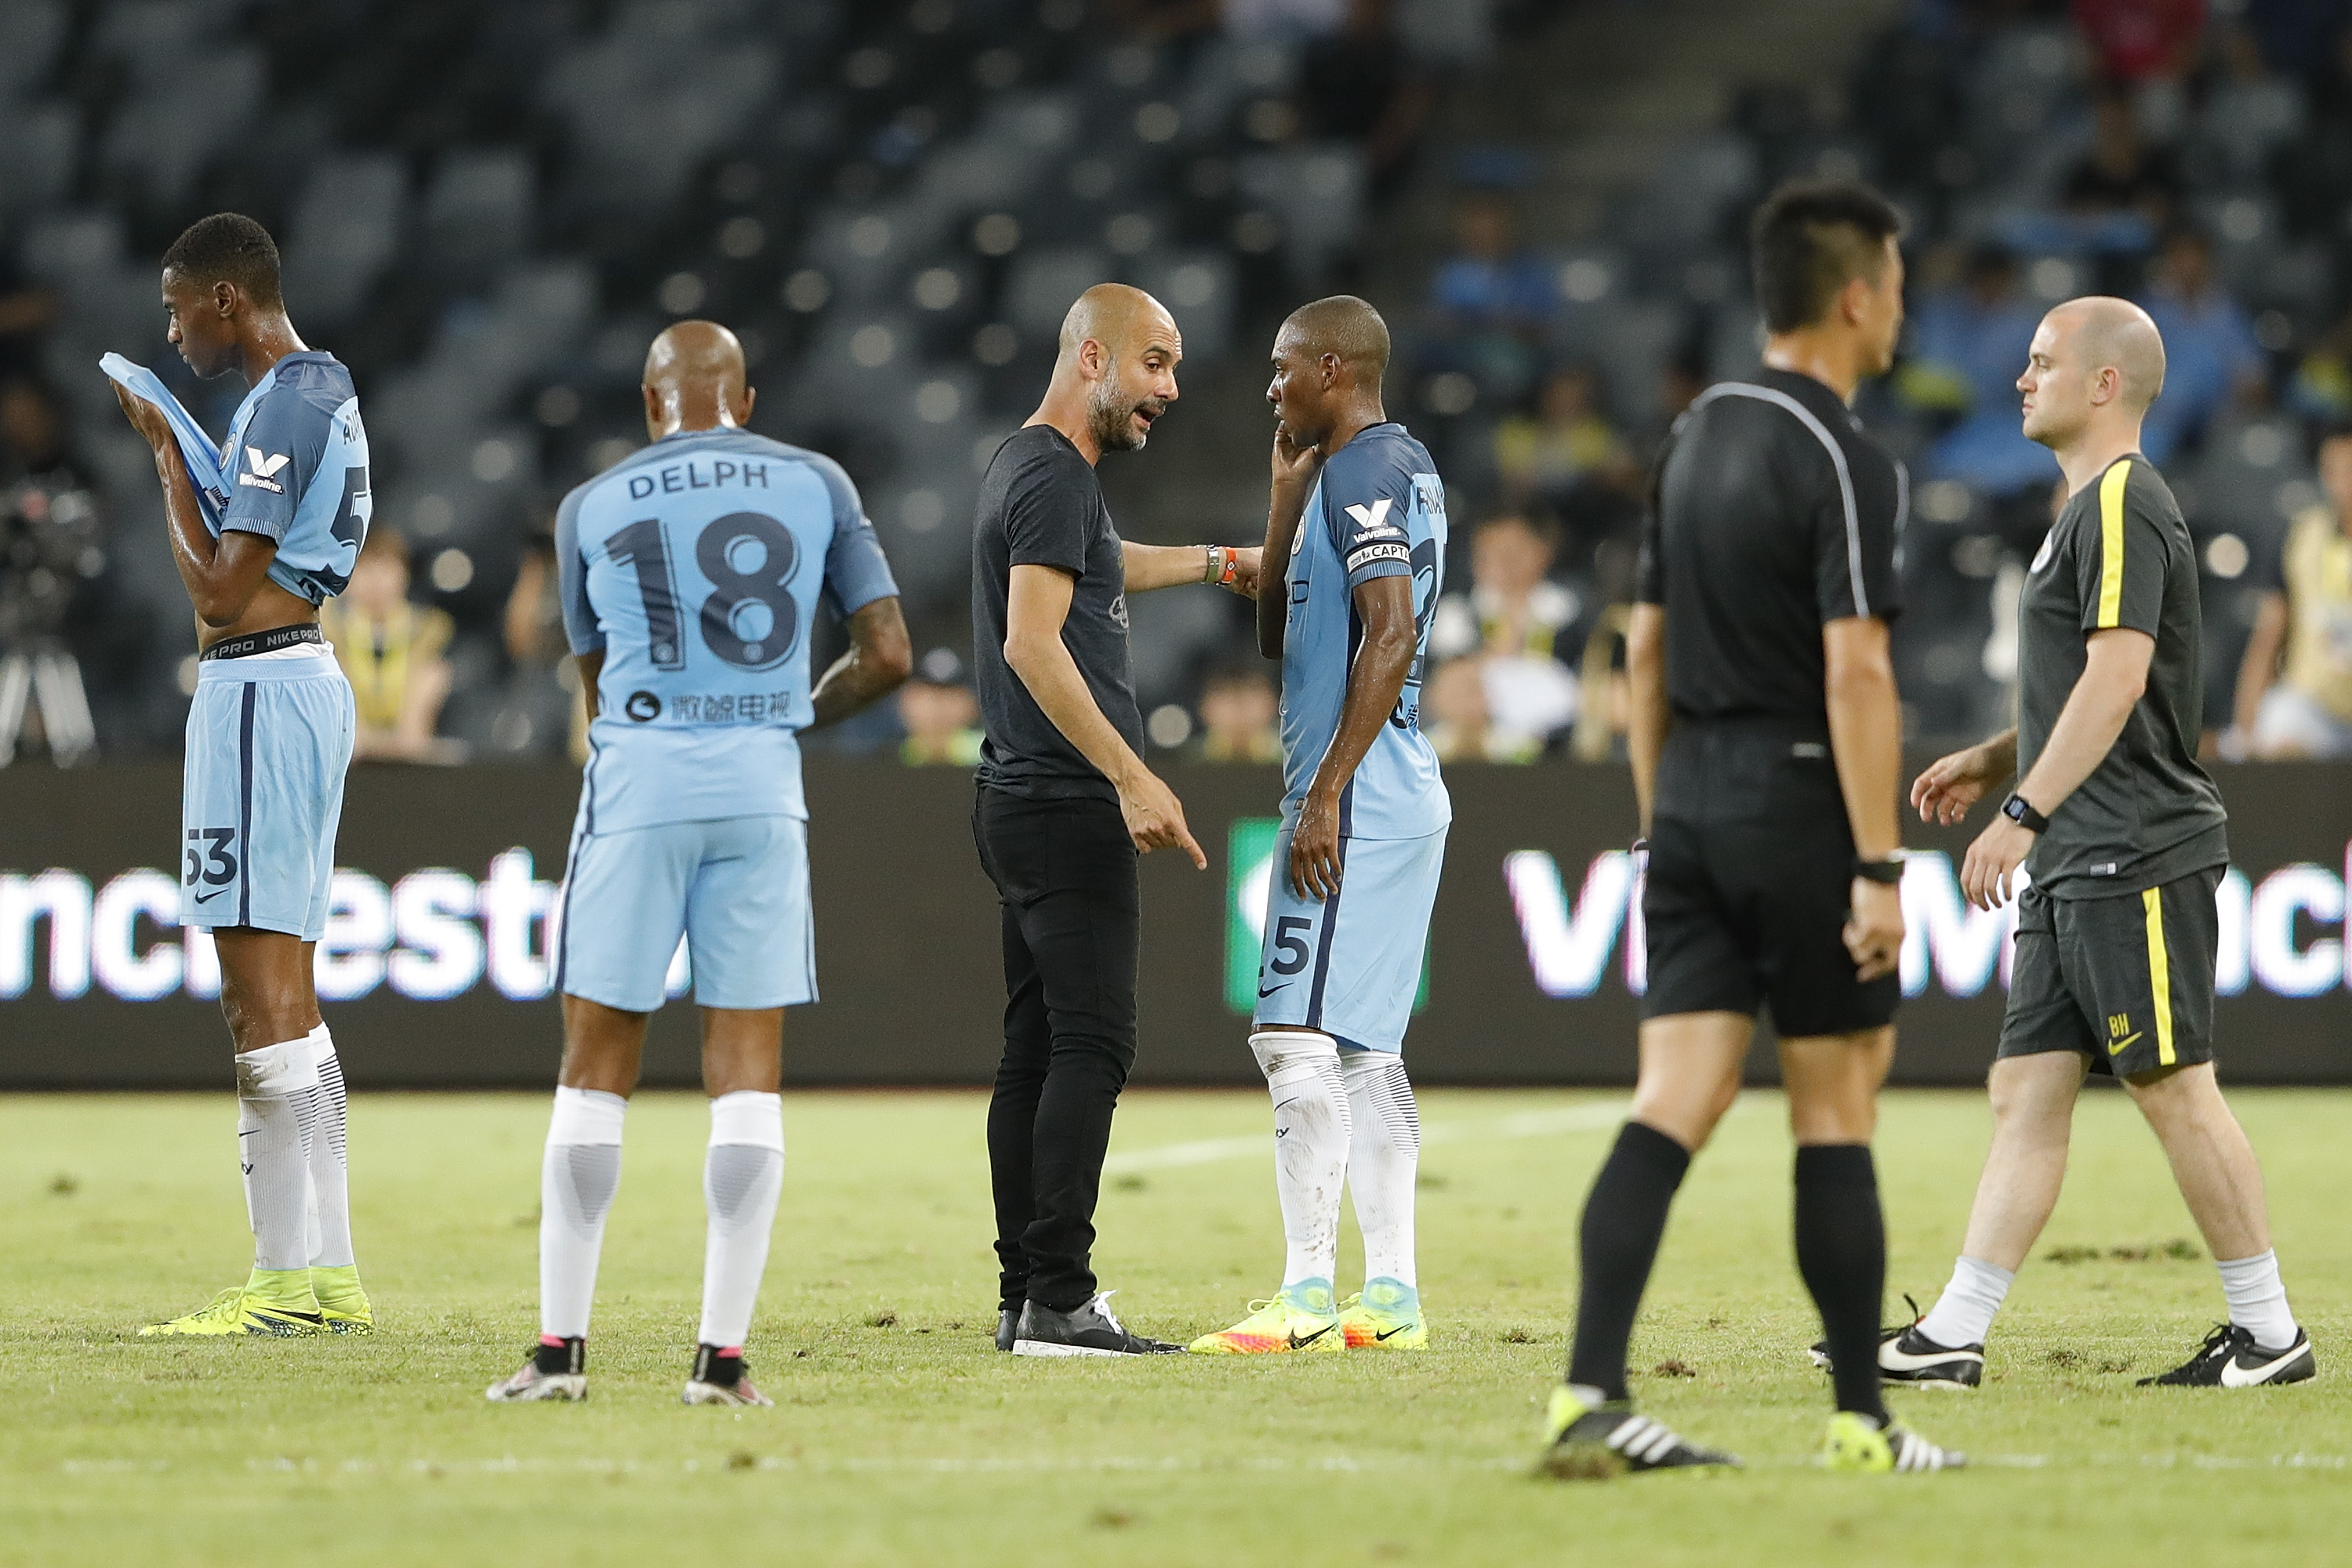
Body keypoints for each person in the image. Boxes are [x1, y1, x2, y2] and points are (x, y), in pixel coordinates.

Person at [1539, 180, 1962, 1478]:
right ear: (1853, 297)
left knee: (1672, 1100)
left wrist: (1660, 826)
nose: (1901, 306)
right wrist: (1881, 863)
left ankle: (1589, 1396)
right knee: (1834, 1107)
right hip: (1796, 801)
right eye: (1893, 285)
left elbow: (1645, 657)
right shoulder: (1843, 454)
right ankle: (1860, 1422)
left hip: (1692, 809)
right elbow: (1858, 675)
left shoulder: (1695, 432)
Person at [1878, 298, 2315, 1392]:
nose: (2021, 380)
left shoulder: (2121, 501)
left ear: (2104, 384)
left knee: (2172, 1086)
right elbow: (2086, 683)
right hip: (2084, 850)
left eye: (2040, 363)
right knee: (2026, 1093)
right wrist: (1995, 758)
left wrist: (2018, 813)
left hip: (2132, 845)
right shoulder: (2083, 509)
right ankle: (1955, 1336)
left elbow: (2122, 679)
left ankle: (2268, 1334)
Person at [487, 321, 910, 1406]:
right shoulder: (815, 480)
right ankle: (721, 1363)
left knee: (593, 1069)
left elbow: (586, 668)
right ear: (747, 399)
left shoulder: (593, 503)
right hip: (761, 789)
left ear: (650, 403)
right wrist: (789, 719)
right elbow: (890, 653)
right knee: (747, 1074)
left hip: (640, 783)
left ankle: (559, 1355)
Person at [971, 283, 1261, 1357]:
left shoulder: (1036, 467)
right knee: (1092, 1043)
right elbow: (1032, 643)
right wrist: (1132, 775)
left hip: (1017, 798)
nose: (1170, 390)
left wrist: (1219, 563)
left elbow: (1101, 563)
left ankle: (1023, 1294)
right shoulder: (1054, 476)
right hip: (1062, 801)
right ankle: (1060, 1298)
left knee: (1036, 1050)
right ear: (1091, 357)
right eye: (1154, 364)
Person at [112, 214, 373, 1338]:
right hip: (291, 684)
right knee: (292, 1001)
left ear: (228, 298)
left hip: (261, 692)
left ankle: (280, 1286)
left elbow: (220, 593)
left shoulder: (284, 406)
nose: (172, 333)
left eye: (179, 308)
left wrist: (168, 455)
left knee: (255, 997)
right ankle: (330, 1277)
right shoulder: (322, 392)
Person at [1190, 294, 1448, 1356]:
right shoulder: (1382, 471)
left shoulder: (1366, 474)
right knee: (1366, 1054)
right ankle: (1390, 1299)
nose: (1270, 387)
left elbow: (1389, 634)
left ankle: (1304, 1295)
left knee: (1290, 1036)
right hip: (1398, 790)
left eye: (1283, 368)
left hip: (1363, 795)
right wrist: (1280, 503)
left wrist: (1329, 792)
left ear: (1333, 369)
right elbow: (1276, 636)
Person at [2228, 422, 2352, 759]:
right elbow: (2270, 633)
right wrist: (2245, 729)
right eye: (2336, 472)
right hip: (2315, 706)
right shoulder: (2301, 537)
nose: (2345, 486)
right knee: (2282, 735)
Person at [320, 527, 459, 764]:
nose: (377, 580)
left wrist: (399, 741)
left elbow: (414, 736)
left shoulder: (430, 629)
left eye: (386, 569)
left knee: (432, 675)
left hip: (406, 737)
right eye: (367, 569)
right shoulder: (329, 628)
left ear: (404, 575)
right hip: (348, 745)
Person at [898, 647, 985, 766]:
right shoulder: (887, 752)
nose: (938, 707)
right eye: (929, 695)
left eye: (951, 695)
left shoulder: (990, 755)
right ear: (907, 699)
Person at [1195, 662, 1283, 763]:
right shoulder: (1185, 759)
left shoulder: (1296, 760)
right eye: (1223, 691)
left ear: (1273, 702)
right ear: (1205, 707)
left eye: (1252, 688)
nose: (1240, 704)